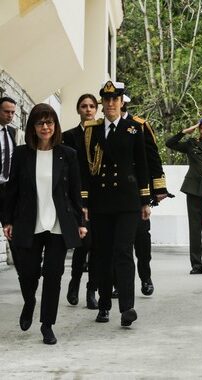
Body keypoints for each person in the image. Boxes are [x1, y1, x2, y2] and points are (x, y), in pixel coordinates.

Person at [3, 103, 86, 345]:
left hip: (58, 224)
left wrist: (80, 221)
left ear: (55, 126)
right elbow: (12, 190)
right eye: (40, 122)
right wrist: (7, 220)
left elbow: (75, 192)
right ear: (33, 127)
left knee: (54, 274)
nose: (45, 127)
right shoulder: (21, 154)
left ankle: (47, 324)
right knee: (28, 272)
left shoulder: (68, 154)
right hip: (29, 222)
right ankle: (29, 302)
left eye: (49, 122)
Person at [78, 81, 150, 327]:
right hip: (101, 202)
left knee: (123, 251)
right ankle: (105, 305)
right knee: (102, 254)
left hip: (128, 202)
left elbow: (142, 165)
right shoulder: (91, 131)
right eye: (106, 100)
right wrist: (84, 201)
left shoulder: (133, 129)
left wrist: (145, 200)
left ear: (122, 102)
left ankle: (127, 307)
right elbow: (84, 170)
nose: (110, 104)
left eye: (115, 100)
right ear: (102, 103)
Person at [120, 88, 169, 295]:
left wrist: (159, 187)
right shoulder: (101, 128)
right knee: (119, 241)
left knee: (141, 238)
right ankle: (119, 282)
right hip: (114, 192)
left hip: (138, 189)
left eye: (116, 99)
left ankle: (145, 276)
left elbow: (153, 157)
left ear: (123, 103)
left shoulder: (139, 126)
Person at [165, 117, 202, 274]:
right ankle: (196, 265)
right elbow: (169, 143)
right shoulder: (191, 144)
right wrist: (184, 132)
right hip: (193, 191)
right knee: (195, 229)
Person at [62, 94, 99, 309]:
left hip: (100, 199)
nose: (88, 109)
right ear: (78, 110)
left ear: (96, 109)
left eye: (92, 106)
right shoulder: (68, 136)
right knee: (83, 245)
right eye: (84, 106)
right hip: (77, 198)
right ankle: (75, 283)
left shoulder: (103, 135)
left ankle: (91, 291)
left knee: (97, 246)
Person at [0, 97, 20, 224]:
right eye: (7, 111)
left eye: (13, 112)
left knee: (10, 226)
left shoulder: (12, 132)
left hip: (8, 188)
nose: (10, 115)